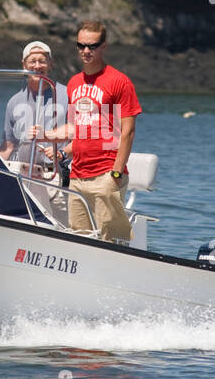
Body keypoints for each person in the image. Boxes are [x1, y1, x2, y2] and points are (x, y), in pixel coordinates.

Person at [35, 21, 141, 242]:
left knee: (110, 242)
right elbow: (78, 128)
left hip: (106, 173)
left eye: (92, 46)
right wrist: (48, 137)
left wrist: (116, 173)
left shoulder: (118, 81)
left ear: (104, 46)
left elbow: (128, 132)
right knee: (79, 240)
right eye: (81, 45)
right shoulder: (74, 83)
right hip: (77, 176)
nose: (86, 51)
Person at [0, 41, 69, 175]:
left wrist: (62, 153)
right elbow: (8, 146)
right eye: (32, 61)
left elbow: (79, 137)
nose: (37, 66)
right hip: (24, 174)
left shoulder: (68, 96)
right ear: (24, 65)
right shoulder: (14, 102)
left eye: (42, 61)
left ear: (51, 64)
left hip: (56, 175)